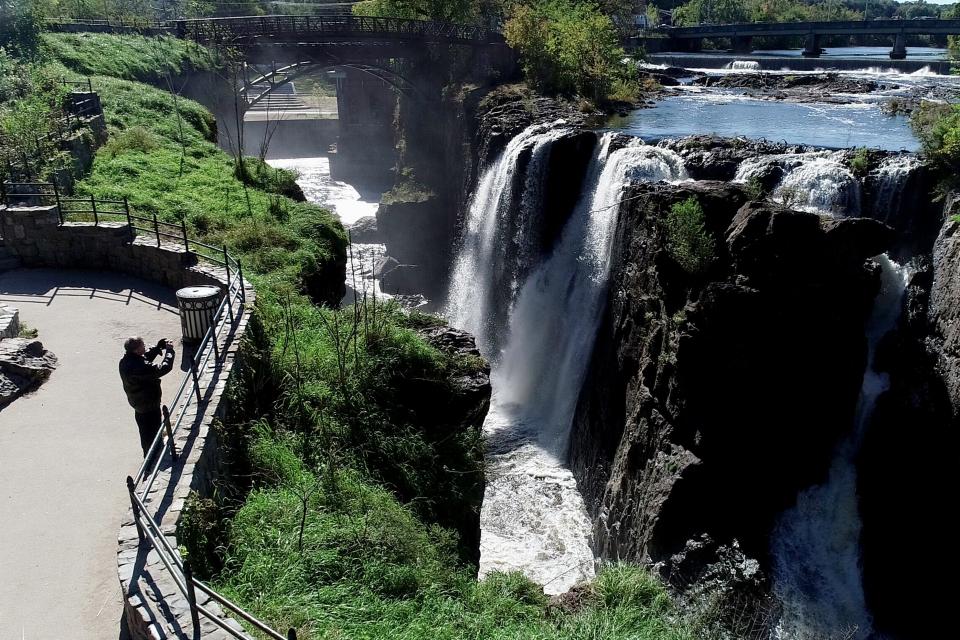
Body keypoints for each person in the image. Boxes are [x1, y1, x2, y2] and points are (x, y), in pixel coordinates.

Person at [119, 336, 176, 458]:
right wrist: (170, 351)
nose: (145, 346)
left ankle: (150, 458)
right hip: (148, 405)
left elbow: (143, 360)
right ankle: (153, 462)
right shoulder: (138, 366)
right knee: (152, 434)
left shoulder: (125, 361)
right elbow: (164, 368)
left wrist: (157, 348)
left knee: (145, 434)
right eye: (142, 345)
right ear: (136, 350)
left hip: (139, 404)